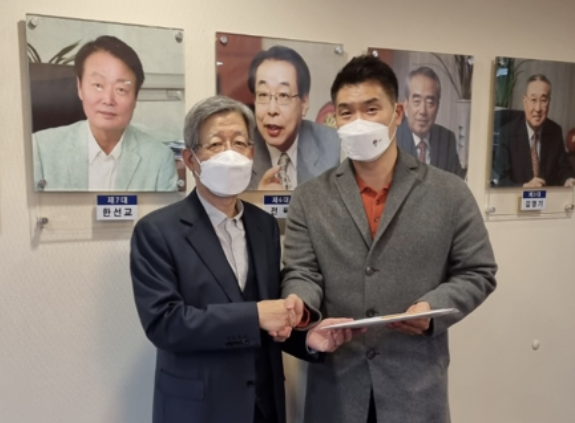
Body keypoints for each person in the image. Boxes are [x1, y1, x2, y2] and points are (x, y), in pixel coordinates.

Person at [281, 55, 497, 423]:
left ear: (397, 113)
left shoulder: (449, 192)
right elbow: (301, 271)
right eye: (347, 112)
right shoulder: (309, 197)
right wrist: (300, 305)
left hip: (416, 388)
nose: (358, 122)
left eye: (371, 109)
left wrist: (433, 308)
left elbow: (478, 271)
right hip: (336, 387)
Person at [130, 96, 355, 423]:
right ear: (191, 159)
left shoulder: (264, 225)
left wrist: (306, 337)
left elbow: (271, 314)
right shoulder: (157, 231)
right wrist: (255, 315)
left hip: (263, 406)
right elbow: (165, 324)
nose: (230, 154)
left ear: (252, 153)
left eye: (239, 143)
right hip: (198, 409)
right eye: (215, 144)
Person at [33, 35, 177, 192]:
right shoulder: (41, 148)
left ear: (135, 97)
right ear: (80, 87)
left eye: (121, 89)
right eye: (98, 85)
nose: (108, 100)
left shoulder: (159, 159)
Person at [246, 45, 340, 190]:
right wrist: (258, 200)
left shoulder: (333, 146)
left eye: (283, 95)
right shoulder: (241, 153)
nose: (272, 110)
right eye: (263, 95)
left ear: (304, 103)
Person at [493, 74, 575, 187]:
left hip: (548, 197)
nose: (538, 108)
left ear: (549, 102)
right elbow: (502, 180)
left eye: (543, 100)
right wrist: (524, 187)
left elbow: (563, 169)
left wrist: (568, 180)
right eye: (533, 100)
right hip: (517, 197)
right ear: (525, 102)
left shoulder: (555, 131)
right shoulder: (507, 133)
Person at [396, 66, 463, 177]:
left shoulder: (447, 139)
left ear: (437, 107)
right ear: (406, 106)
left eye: (430, 103)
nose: (423, 111)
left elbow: (457, 183)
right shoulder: (393, 139)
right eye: (417, 101)